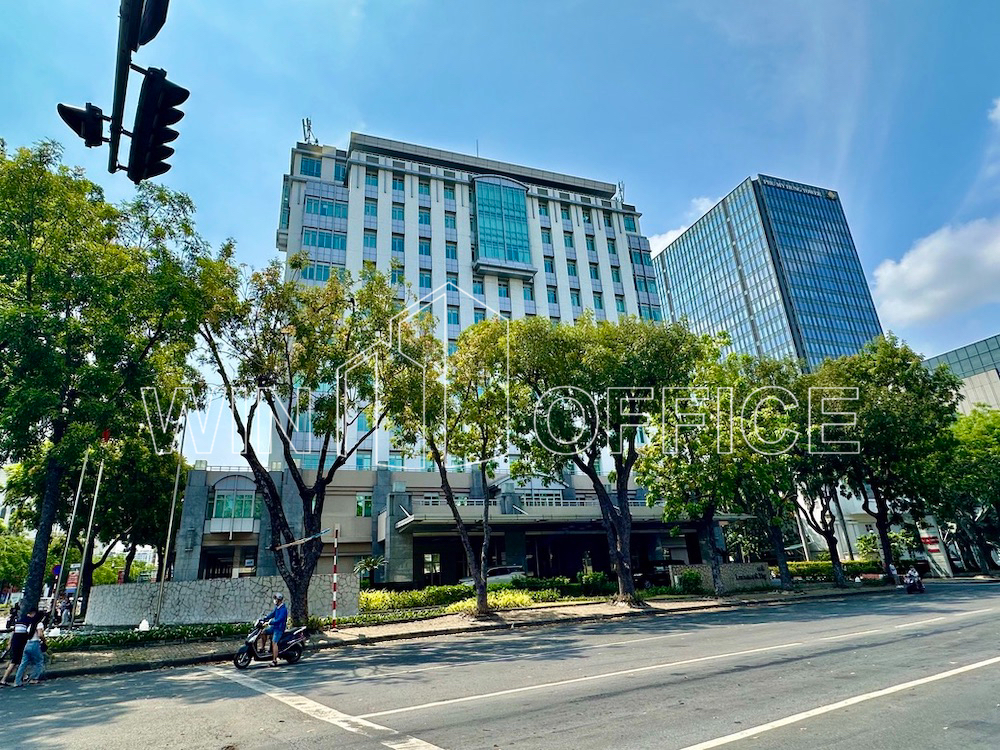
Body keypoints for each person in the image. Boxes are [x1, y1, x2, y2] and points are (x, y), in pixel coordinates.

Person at [1, 606, 35, 687]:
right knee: (15, 662)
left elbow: (14, 632)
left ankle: (24, 676)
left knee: (19, 661)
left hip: (15, 642)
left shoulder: (20, 621)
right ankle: (4, 679)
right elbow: (29, 634)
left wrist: (10, 642)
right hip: (21, 643)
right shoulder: (30, 622)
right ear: (33, 613)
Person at [14, 611, 47, 687]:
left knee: (23, 663)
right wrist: (44, 641)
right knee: (39, 661)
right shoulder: (39, 624)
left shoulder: (31, 624)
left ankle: (17, 681)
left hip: (28, 643)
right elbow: (40, 634)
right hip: (35, 643)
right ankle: (34, 678)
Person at [262, 593, 288, 667]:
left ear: (279, 600)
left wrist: (271, 622)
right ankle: (263, 648)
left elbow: (279, 619)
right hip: (274, 627)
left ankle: (274, 661)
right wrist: (264, 618)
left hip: (279, 629)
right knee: (263, 632)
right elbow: (272, 614)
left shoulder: (283, 609)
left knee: (274, 642)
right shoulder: (277, 608)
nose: (274, 600)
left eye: (275, 599)